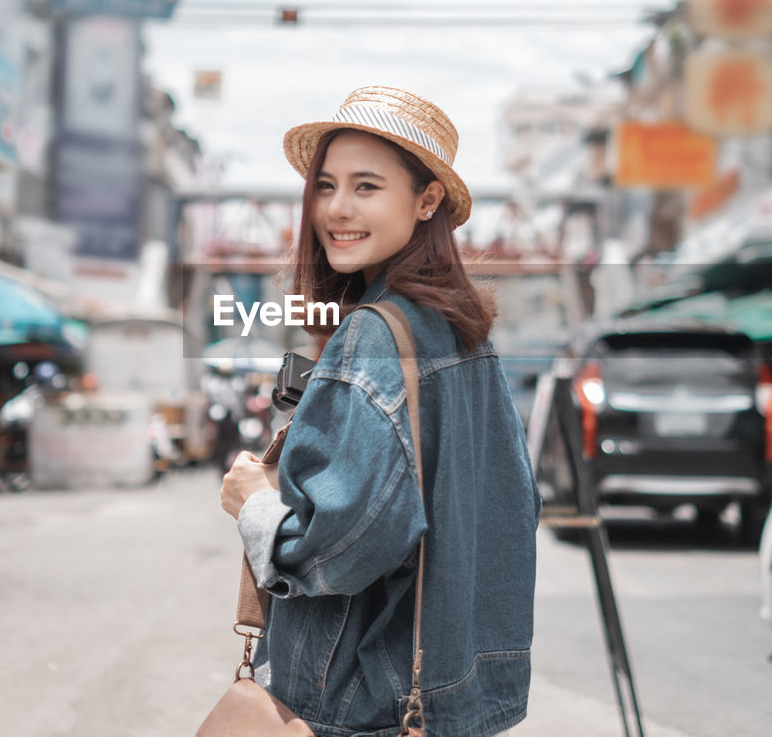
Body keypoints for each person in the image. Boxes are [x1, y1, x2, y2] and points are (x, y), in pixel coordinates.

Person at [220, 86, 540, 736]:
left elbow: (342, 548)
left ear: (427, 200)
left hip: (357, 702)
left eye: (367, 187)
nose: (337, 209)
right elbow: (513, 511)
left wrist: (256, 502)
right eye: (327, 185)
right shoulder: (463, 331)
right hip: (447, 696)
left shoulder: (374, 336)